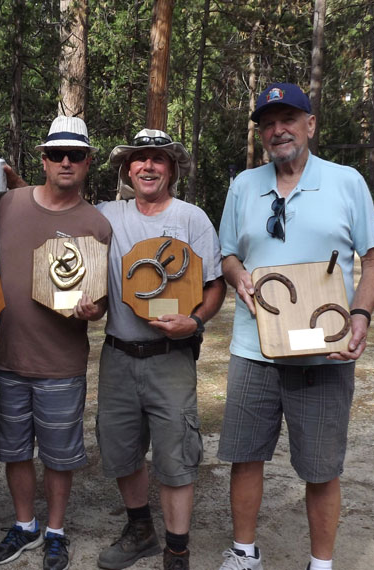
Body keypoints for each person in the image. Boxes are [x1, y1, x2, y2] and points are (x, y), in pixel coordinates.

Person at [216, 82, 374, 570]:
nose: (277, 130)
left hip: (324, 349)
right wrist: (238, 275)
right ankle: (245, 554)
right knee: (245, 456)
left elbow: (373, 263)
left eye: (288, 119)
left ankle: (321, 563)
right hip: (256, 348)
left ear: (310, 125)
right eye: (268, 123)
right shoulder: (243, 186)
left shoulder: (346, 181)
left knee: (320, 466)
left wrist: (360, 316)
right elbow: (228, 253)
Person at [94, 129, 226, 570]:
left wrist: (196, 320)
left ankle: (177, 549)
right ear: (127, 169)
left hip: (171, 358)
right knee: (121, 450)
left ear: (172, 168)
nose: (148, 166)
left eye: (158, 159)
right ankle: (140, 529)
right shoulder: (105, 214)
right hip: (117, 354)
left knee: (176, 454)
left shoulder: (192, 218)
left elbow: (214, 285)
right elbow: (51, 209)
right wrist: (15, 186)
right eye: (139, 159)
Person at [0, 116, 112, 570]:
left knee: (60, 455)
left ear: (87, 162)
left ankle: (55, 530)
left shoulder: (96, 224)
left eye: (75, 155)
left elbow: (97, 300)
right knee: (16, 450)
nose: (65, 161)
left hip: (61, 360)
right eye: (57, 153)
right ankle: (25, 525)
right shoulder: (10, 204)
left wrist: (92, 311)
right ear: (42, 159)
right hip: (6, 356)